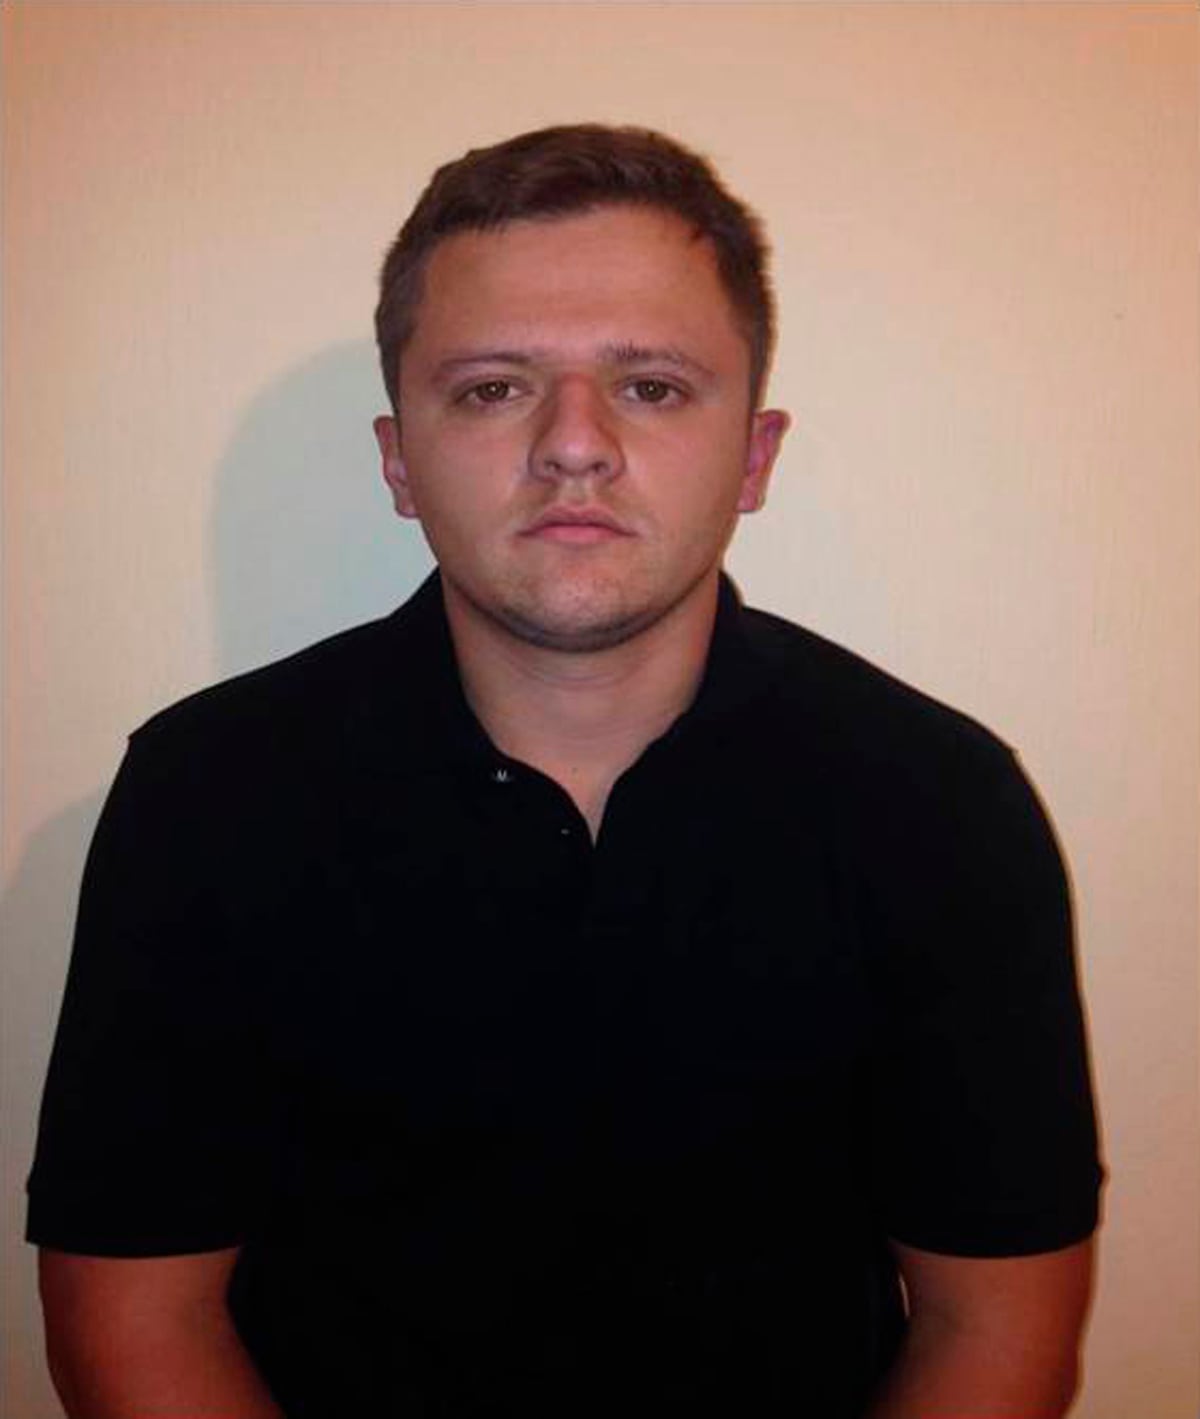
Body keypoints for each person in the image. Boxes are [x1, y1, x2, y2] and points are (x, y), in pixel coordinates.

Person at [28, 124, 1102, 1419]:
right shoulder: (205, 797)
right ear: (395, 461)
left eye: (650, 385)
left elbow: (996, 1323)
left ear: (754, 457)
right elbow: (134, 1322)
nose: (574, 444)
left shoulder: (941, 804)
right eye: (493, 388)